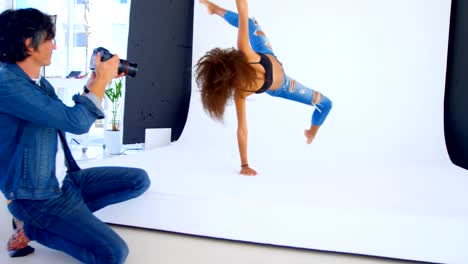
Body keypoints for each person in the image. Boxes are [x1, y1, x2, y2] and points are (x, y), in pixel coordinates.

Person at [0, 8, 151, 263]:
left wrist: (94, 83)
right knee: (113, 252)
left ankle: (52, 222)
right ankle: (35, 225)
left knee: (138, 180)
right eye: (49, 39)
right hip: (38, 196)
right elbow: (77, 123)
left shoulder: (37, 83)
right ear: (29, 44)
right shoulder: (7, 85)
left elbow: (64, 116)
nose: (55, 46)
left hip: (64, 181)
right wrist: (101, 82)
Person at [196, 0, 333, 176]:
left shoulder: (247, 53)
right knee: (326, 103)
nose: (239, 83)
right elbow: (242, 129)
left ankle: (214, 9)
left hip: (266, 52)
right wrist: (244, 165)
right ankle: (312, 132)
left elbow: (243, 10)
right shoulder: (240, 93)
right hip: (283, 86)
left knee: (250, 22)